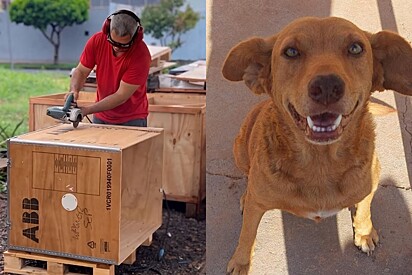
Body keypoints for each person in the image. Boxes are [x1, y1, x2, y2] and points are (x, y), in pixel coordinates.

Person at [68, 9, 151, 127]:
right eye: (113, 42)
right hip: (100, 114)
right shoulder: (97, 41)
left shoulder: (141, 55)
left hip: (131, 119)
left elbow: (121, 96)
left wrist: (87, 110)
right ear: (107, 30)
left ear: (135, 38)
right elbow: (81, 71)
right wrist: (74, 90)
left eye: (124, 45)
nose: (117, 48)